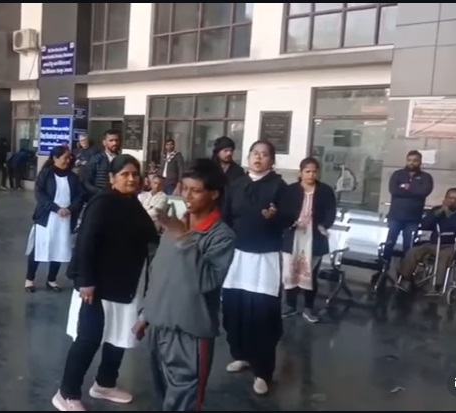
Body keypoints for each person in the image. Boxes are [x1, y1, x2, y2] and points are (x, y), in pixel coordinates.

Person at [53, 155, 160, 412]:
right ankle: (66, 392)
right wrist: (86, 281)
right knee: (88, 339)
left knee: (120, 336)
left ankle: (105, 383)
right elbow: (85, 242)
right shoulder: (102, 204)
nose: (131, 179)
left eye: (135, 174)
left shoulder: (132, 203)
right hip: (96, 287)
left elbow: (150, 236)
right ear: (112, 179)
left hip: (126, 285)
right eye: (124, 174)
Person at [135, 159, 235, 411]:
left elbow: (207, 280)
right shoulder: (178, 224)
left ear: (214, 194)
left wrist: (183, 238)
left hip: (190, 333)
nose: (186, 196)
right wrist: (146, 314)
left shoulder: (220, 236)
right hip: (160, 326)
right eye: (184, 188)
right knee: (164, 396)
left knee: (184, 401)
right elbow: (160, 273)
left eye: (195, 190)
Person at [220, 140, 289, 395]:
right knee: (234, 308)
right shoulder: (236, 184)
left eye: (264, 154)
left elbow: (289, 218)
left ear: (272, 160)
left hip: (264, 257)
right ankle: (241, 354)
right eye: (254, 154)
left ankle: (263, 371)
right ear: (248, 157)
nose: (258, 158)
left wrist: (275, 217)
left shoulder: (279, 187)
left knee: (262, 314)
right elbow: (225, 217)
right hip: (238, 255)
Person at [281, 157, 337, 324]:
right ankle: (290, 305)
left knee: (310, 274)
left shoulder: (325, 190)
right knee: (291, 271)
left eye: (314, 171)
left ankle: (308, 308)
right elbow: (283, 211)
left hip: (315, 236)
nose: (311, 175)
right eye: (307, 171)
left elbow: (331, 211)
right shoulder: (291, 190)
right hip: (293, 234)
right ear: (301, 172)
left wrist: (324, 225)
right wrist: (291, 222)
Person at [25, 146, 83, 293]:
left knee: (60, 248)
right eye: (65, 157)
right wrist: (56, 208)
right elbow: (39, 194)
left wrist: (70, 209)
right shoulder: (45, 174)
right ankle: (29, 279)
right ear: (55, 158)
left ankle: (51, 279)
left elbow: (79, 196)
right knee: (39, 249)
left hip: (65, 218)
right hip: (47, 217)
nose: (68, 160)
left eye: (69, 157)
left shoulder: (73, 177)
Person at [398, 188, 456, 293]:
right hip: (434, 243)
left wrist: (448, 213)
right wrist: (439, 212)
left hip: (455, 245)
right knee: (413, 252)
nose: (453, 201)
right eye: (450, 198)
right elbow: (425, 225)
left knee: (443, 256)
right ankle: (406, 279)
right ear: (445, 199)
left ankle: (437, 286)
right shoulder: (437, 210)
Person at [385, 150, 434, 256]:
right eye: (409, 160)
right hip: (395, 216)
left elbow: (423, 192)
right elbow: (394, 190)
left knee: (409, 246)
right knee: (389, 243)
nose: (412, 163)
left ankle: (405, 267)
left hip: (413, 218)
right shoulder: (397, 174)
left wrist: (406, 187)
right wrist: (414, 190)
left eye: (415, 160)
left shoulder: (426, 177)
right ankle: (384, 265)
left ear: (420, 162)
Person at [83, 129, 121, 198]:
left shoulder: (122, 160)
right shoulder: (96, 159)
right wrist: (100, 192)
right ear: (104, 142)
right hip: (99, 197)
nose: (114, 143)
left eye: (116, 140)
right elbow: (87, 182)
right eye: (111, 140)